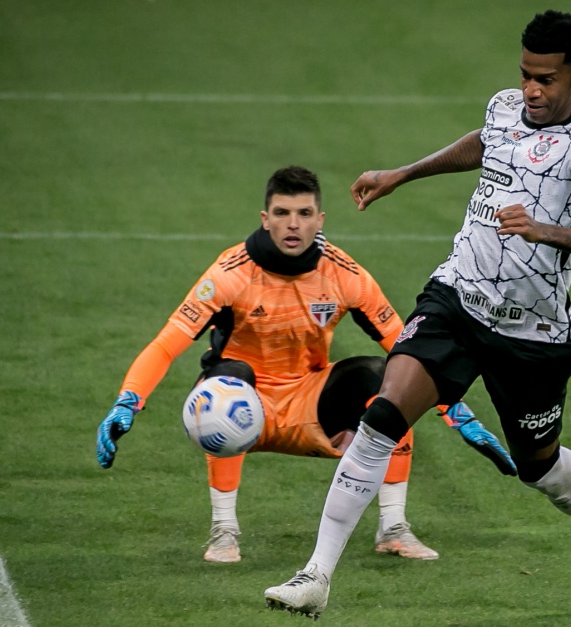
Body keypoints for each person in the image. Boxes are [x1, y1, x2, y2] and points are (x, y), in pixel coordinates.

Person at [265, 10, 571, 618]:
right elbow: (485, 144)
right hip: (458, 297)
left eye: (546, 80)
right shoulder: (506, 107)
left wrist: (541, 229)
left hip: (531, 331)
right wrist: (402, 174)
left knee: (537, 467)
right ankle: (315, 576)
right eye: (524, 76)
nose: (531, 91)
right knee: (382, 414)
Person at [95, 166, 516, 564]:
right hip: (244, 402)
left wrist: (457, 413)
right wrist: (128, 401)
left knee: (383, 378)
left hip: (309, 402)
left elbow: (413, 350)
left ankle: (393, 528)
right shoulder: (229, 273)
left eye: (303, 213)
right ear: (265, 219)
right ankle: (224, 530)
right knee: (226, 381)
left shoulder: (344, 274)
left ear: (320, 219)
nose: (292, 224)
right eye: (282, 213)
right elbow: (167, 344)